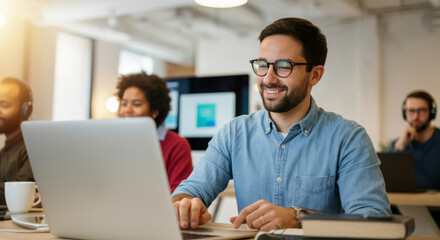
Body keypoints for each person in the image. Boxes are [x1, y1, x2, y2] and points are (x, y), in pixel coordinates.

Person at [172, 17, 391, 231]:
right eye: (263, 65)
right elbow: (192, 189)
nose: (268, 78)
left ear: (315, 74)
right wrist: (185, 204)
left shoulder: (347, 138)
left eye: (284, 66)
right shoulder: (234, 133)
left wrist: (297, 217)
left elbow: (374, 220)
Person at [116, 72, 193, 193]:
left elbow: (180, 195)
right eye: (124, 103)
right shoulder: (114, 141)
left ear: (155, 111)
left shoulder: (177, 145)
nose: (127, 109)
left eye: (136, 104)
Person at [387, 90, 440, 190]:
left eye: (422, 110)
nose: (416, 116)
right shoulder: (397, 144)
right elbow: (385, 178)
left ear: (432, 113)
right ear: (404, 114)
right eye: (411, 111)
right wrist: (400, 147)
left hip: (435, 204)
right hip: (403, 204)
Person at [0, 77, 35, 205]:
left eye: (4, 105)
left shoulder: (33, 149)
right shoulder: (3, 152)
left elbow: (20, 194)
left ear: (25, 110)